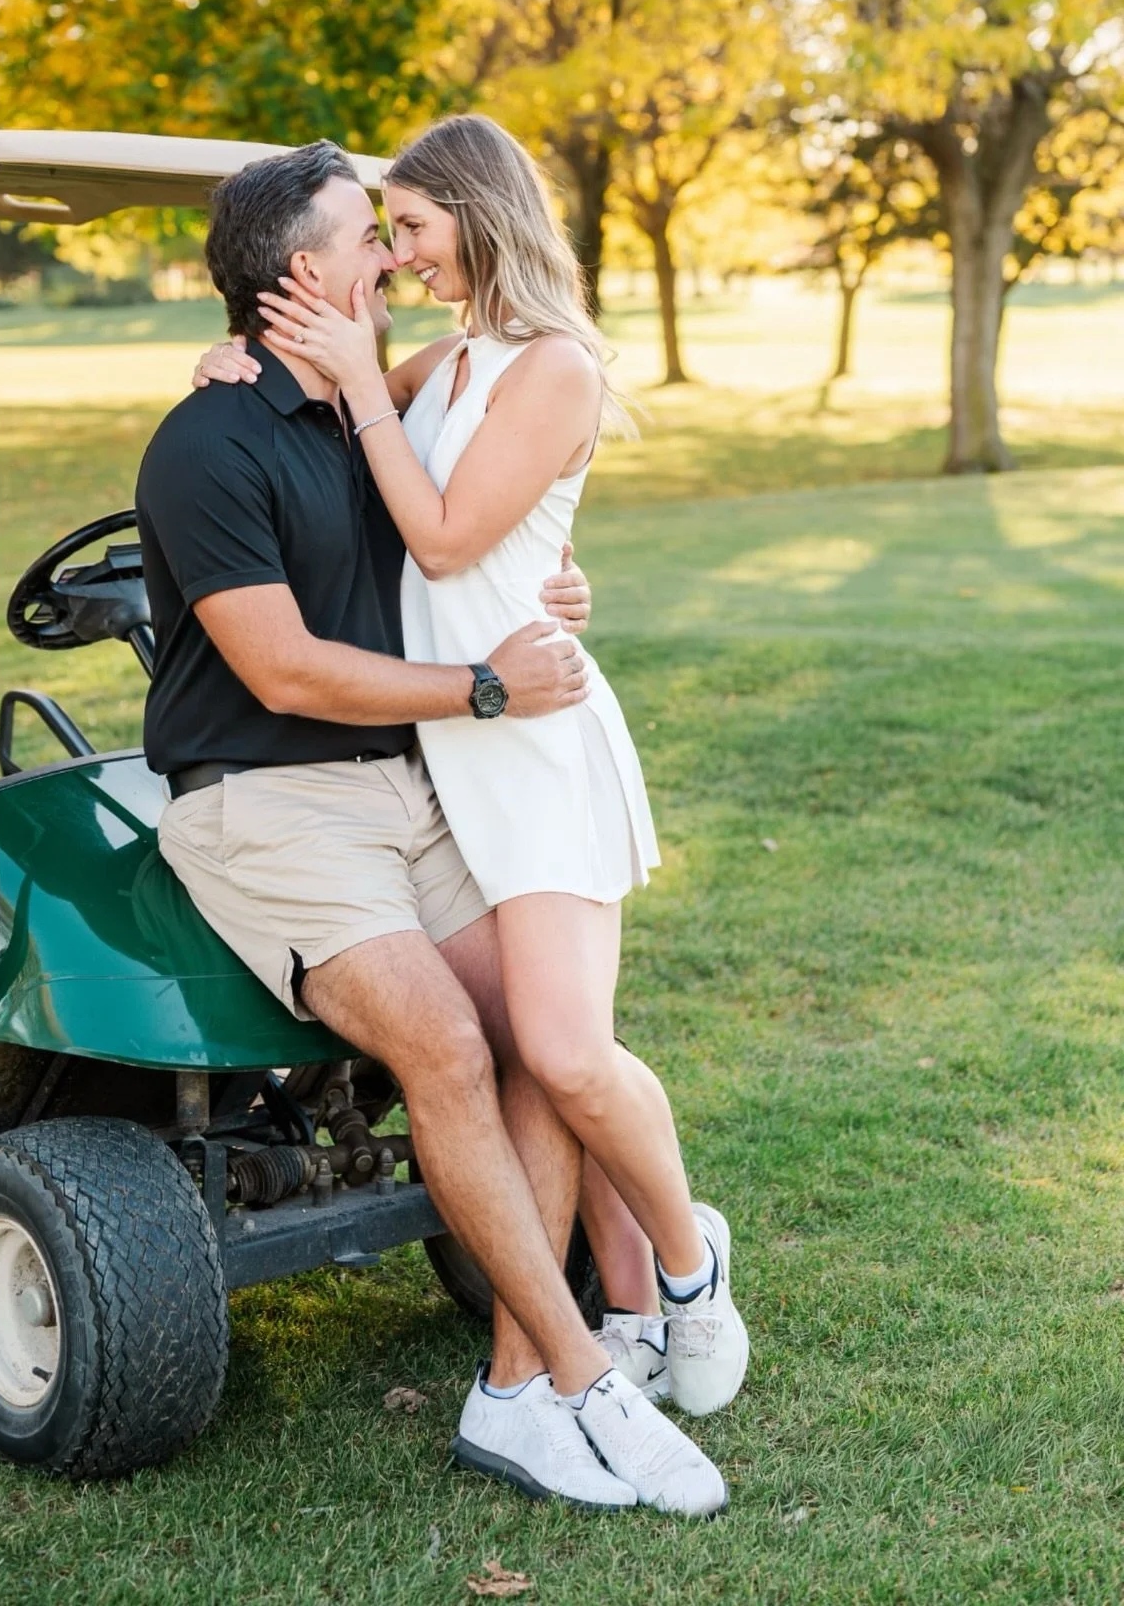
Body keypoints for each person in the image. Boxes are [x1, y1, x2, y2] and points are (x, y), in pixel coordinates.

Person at [137, 138, 730, 1515]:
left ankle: (520, 1385)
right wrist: (483, 686)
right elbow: (285, 673)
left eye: (402, 231)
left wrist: (554, 585)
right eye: (372, 236)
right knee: (450, 1046)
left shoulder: (375, 403)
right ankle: (585, 1379)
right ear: (307, 274)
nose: (394, 258)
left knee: (541, 1036)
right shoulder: (207, 442)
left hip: (413, 780)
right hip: (267, 802)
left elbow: (470, 514)